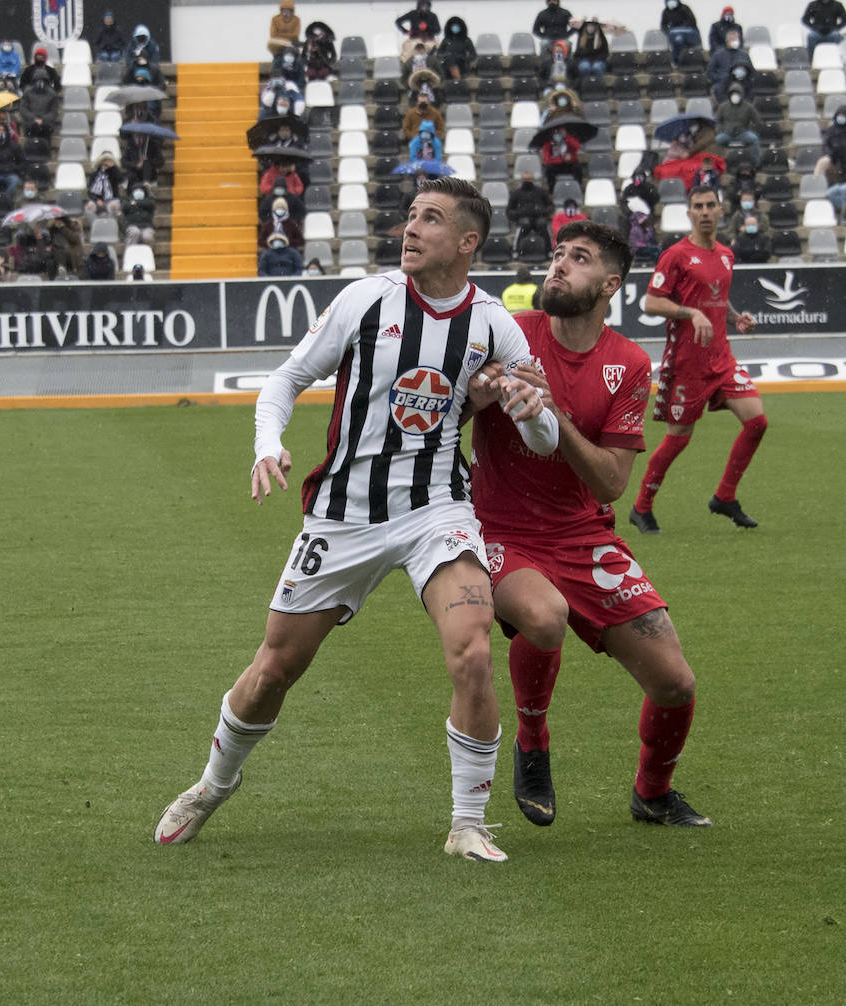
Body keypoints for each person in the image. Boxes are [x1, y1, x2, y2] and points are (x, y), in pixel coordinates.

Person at [152, 176, 560, 863]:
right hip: (344, 515)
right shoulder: (366, 300)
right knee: (276, 667)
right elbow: (285, 379)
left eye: (430, 220)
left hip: (438, 510)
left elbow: (545, 438)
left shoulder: (493, 324)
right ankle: (212, 785)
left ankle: (468, 823)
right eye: (409, 217)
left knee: (474, 648)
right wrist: (267, 444)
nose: (410, 229)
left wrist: (533, 411)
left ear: (467, 241)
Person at [469, 220, 713, 830]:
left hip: (583, 535)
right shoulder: (507, 333)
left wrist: (556, 415)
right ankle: (532, 739)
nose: (558, 265)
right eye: (557, 254)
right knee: (545, 616)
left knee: (676, 684)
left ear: (609, 284)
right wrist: (480, 391)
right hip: (497, 527)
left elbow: (609, 484)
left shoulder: (628, 364)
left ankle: (652, 795)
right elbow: (450, 406)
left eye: (577, 258)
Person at [629, 186, 764, 533]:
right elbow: (651, 302)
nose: (704, 211)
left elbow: (716, 300)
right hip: (687, 363)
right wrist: (690, 313)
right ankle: (642, 507)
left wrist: (736, 319)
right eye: (697, 206)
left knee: (757, 422)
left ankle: (725, 497)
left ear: (721, 211)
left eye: (710, 206)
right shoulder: (676, 255)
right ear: (689, 213)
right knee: (679, 437)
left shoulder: (725, 255)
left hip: (722, 359)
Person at [714, 84, 762, 166]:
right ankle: (718, 163)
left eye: (737, 94)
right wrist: (720, 130)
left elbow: (757, 122)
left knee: (754, 139)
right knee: (716, 141)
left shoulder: (748, 107)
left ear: (741, 95)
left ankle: (755, 163)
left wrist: (751, 130)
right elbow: (717, 121)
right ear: (729, 95)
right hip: (727, 134)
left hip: (743, 133)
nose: (735, 96)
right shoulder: (723, 107)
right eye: (733, 94)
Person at [539, 124, 583, 192]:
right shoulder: (548, 142)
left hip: (569, 164)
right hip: (556, 165)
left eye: (561, 131)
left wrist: (567, 137)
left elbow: (577, 146)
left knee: (578, 167)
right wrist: (562, 159)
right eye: (557, 131)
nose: (559, 133)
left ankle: (578, 188)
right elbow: (547, 160)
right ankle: (552, 191)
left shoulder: (569, 139)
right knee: (549, 169)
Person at [437, 16, 476, 81]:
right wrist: (446, 55)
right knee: (450, 60)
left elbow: (473, 55)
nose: (455, 28)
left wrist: (462, 57)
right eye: (453, 26)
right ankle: (456, 78)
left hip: (462, 65)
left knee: (453, 61)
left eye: (457, 26)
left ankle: (457, 78)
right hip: (447, 66)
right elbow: (439, 54)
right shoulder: (446, 40)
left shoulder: (466, 40)